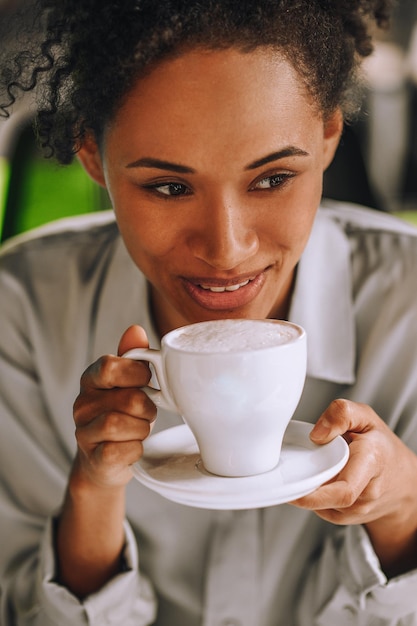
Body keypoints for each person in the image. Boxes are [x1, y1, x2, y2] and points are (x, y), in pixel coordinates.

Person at [1, 1, 417, 624]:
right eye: (169, 187)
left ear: (329, 134)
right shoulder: (22, 313)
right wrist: (93, 490)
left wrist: (404, 510)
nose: (226, 249)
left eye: (273, 177)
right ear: (92, 154)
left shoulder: (408, 305)